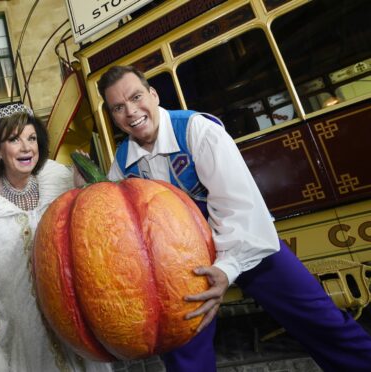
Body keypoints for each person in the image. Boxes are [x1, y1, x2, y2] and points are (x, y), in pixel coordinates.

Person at [97, 65, 371, 372]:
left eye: (136, 97)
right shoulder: (121, 166)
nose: (131, 111)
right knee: (184, 356)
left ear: (154, 94)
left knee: (322, 322)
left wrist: (228, 267)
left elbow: (240, 208)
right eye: (118, 107)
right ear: (112, 116)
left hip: (245, 242)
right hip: (184, 266)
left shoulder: (197, 130)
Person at [0, 104, 112, 372]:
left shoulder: (60, 181)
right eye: (14, 139)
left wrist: (81, 189)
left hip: (69, 319)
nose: (27, 147)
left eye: (31, 138)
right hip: (20, 332)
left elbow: (90, 239)